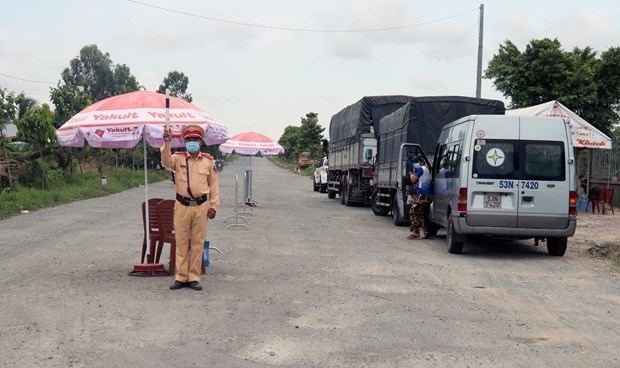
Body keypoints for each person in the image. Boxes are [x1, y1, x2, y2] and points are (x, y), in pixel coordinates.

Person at [161, 125, 220, 291]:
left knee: (197, 242)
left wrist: (214, 206)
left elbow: (214, 185)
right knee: (181, 241)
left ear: (200, 141)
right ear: (184, 141)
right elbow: (166, 161)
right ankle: (180, 276)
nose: (191, 142)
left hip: (201, 206)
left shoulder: (208, 161)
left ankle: (193, 276)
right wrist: (167, 143)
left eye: (195, 139)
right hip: (181, 206)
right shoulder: (178, 158)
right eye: (188, 140)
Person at [408, 155, 433, 239]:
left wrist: (411, 175)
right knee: (422, 214)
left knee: (413, 210)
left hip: (424, 196)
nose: (415, 164)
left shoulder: (421, 169)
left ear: (421, 162)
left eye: (416, 162)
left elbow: (413, 180)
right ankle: (428, 233)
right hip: (426, 196)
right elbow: (418, 183)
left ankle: (416, 232)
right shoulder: (425, 169)